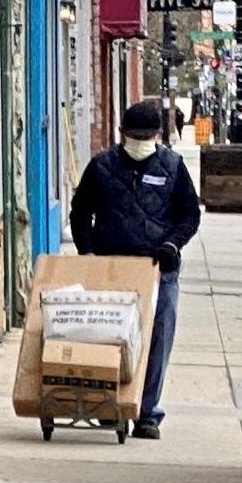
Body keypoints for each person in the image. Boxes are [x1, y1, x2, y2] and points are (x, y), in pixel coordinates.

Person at [66, 97, 202, 439]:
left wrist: (172, 245)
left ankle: (146, 412)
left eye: (146, 136)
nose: (140, 143)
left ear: (157, 134)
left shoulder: (172, 166)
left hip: (159, 267)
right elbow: (80, 212)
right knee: (107, 337)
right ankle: (111, 402)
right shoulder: (101, 167)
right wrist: (89, 253)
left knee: (157, 340)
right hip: (113, 267)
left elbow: (189, 214)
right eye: (134, 135)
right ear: (121, 132)